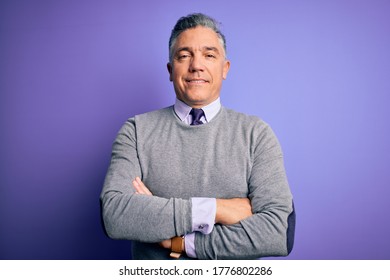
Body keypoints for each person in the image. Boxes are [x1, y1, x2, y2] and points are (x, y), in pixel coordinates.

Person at [100, 13, 295, 260]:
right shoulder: (136, 131)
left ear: (225, 69)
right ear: (171, 70)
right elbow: (115, 215)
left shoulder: (256, 135)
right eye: (184, 56)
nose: (196, 65)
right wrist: (217, 209)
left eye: (209, 55)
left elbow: (278, 232)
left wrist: (178, 242)